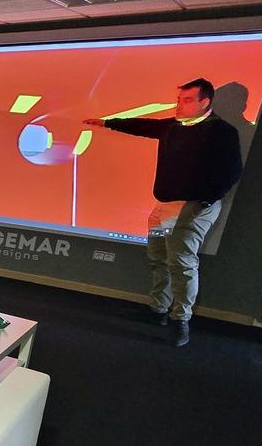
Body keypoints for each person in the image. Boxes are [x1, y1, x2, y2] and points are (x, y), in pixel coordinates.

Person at [83, 78, 242, 347]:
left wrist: (203, 201)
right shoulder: (174, 126)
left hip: (192, 208)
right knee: (158, 257)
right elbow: (144, 126)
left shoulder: (222, 132)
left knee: (182, 262)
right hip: (163, 209)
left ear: (205, 102)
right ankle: (158, 309)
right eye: (179, 99)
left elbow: (232, 171)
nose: (179, 105)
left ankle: (181, 319)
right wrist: (107, 122)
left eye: (187, 100)